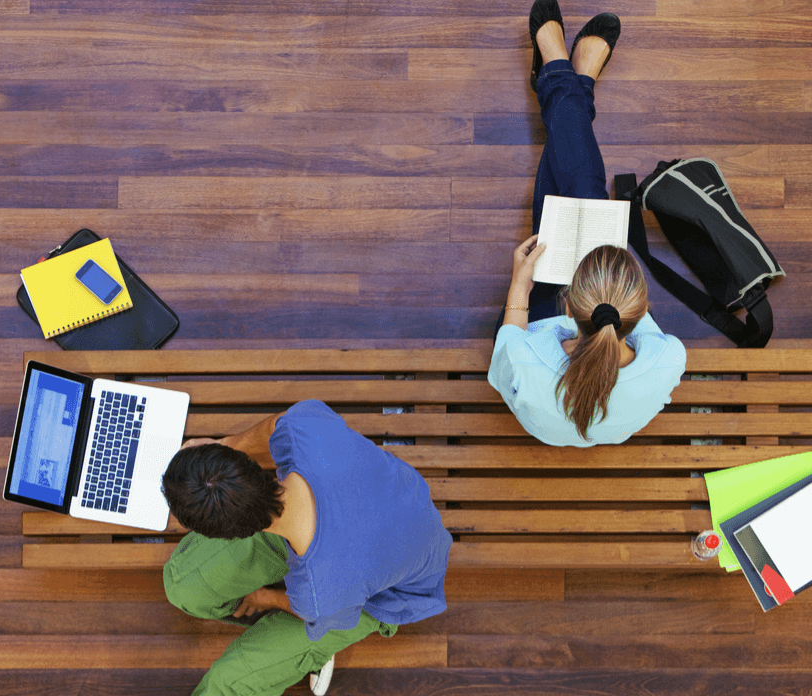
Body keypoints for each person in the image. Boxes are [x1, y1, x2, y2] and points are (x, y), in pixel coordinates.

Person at [488, 0, 687, 447]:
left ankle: (563, 79)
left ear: (567, 304)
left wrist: (519, 286)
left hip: (534, 325)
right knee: (582, 195)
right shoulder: (665, 359)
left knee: (583, 194)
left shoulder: (530, 358)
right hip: (583, 337)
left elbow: (504, 368)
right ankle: (568, 83)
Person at [159, 400, 453, 696]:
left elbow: (324, 614)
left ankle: (311, 649)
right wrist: (224, 447)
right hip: (375, 519)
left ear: (229, 534)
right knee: (182, 585)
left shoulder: (321, 593)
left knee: (228, 683)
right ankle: (291, 642)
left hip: (377, 597)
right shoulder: (304, 431)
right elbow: (278, 425)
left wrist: (266, 597)